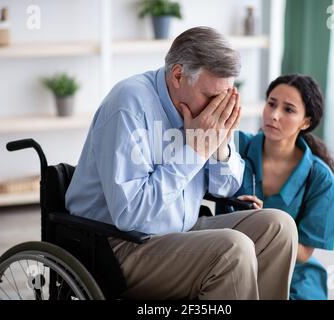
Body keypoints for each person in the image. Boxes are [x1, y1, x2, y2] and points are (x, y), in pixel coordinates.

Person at [66, 27, 298, 300]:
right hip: (118, 245)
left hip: (181, 229)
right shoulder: (128, 104)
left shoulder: (205, 112)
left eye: (225, 96)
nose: (218, 107)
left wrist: (219, 145)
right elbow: (130, 215)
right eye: (212, 97)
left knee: (278, 227)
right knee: (233, 249)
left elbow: (227, 188)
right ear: (178, 75)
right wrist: (194, 151)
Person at [226, 74, 334, 300]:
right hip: (232, 259)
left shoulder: (320, 178)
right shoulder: (235, 146)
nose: (274, 115)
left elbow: (305, 252)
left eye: (288, 110)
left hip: (291, 270)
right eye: (271, 104)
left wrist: (265, 226)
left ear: (306, 122)